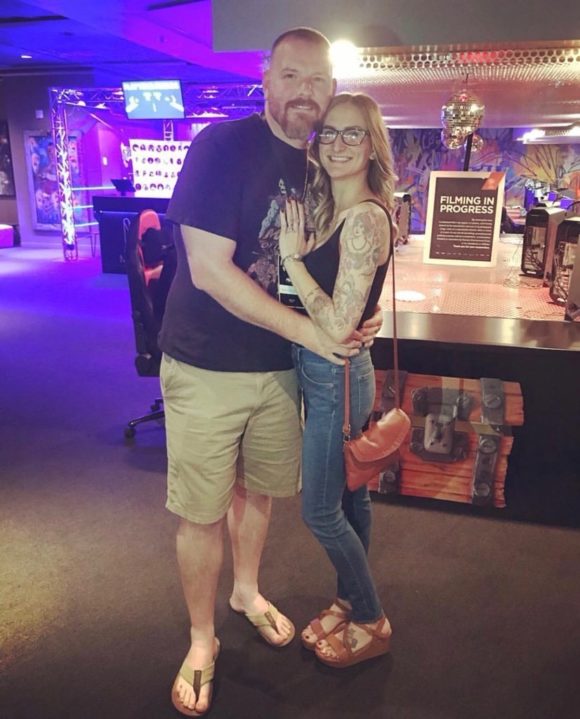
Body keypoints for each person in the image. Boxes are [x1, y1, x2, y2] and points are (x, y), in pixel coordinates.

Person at [158, 28, 383, 716]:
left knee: (259, 493)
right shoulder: (221, 147)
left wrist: (359, 313)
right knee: (201, 511)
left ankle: (246, 592)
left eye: (317, 80)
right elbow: (208, 269)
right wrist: (314, 331)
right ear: (265, 78)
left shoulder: (321, 167)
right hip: (206, 363)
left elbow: (337, 259)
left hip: (283, 371)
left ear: (332, 88)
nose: (304, 92)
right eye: (291, 76)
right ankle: (202, 640)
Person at [278, 91, 396, 668]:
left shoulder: (364, 218)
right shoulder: (337, 213)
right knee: (352, 498)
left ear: (372, 146)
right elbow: (349, 309)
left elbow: (338, 325)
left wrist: (293, 261)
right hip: (334, 374)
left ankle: (371, 617)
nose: (338, 144)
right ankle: (349, 601)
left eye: (353, 133)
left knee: (321, 511)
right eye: (329, 132)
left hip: (336, 378)